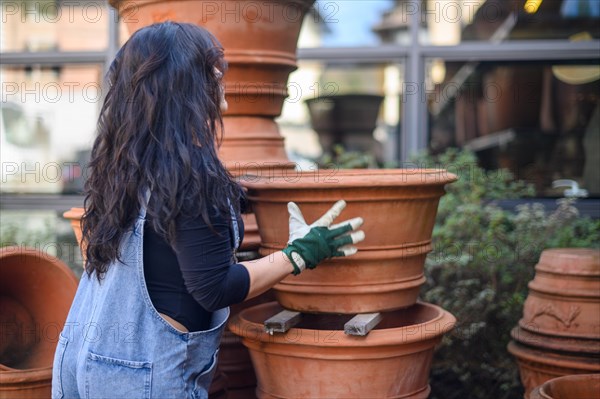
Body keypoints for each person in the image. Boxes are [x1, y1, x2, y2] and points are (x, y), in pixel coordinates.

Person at [52, 21, 364, 399]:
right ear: (183, 85)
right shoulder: (191, 176)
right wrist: (300, 254)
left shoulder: (126, 165)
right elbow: (215, 288)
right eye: (208, 67)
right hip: (142, 378)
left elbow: (177, 231)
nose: (220, 73)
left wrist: (253, 194)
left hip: (87, 363)